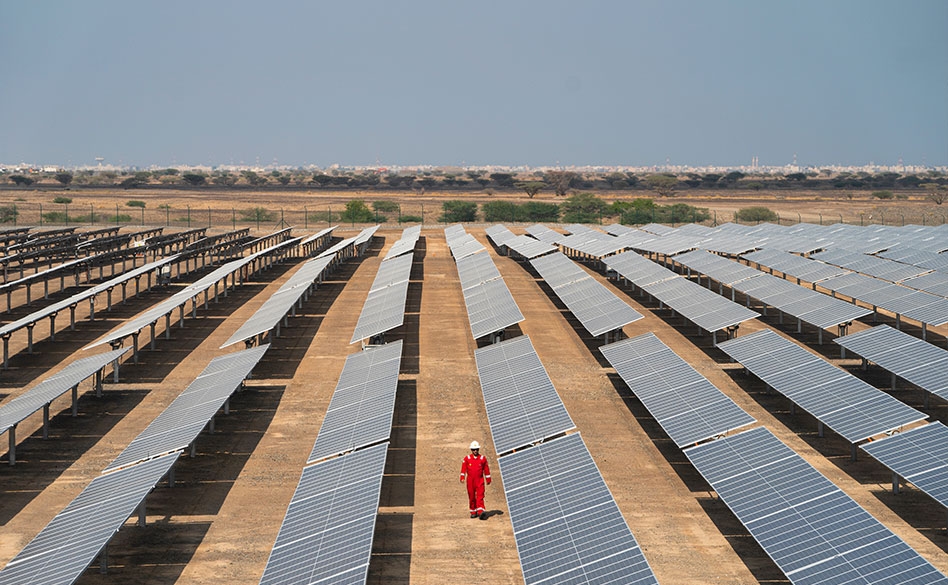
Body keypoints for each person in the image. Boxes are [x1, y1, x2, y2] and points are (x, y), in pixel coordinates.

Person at [460, 440, 491, 518]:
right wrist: (462, 477)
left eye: (477, 449)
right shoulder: (467, 459)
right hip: (470, 481)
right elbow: (463, 469)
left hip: (479, 480)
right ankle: (473, 511)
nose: (475, 451)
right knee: (471, 496)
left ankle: (481, 511)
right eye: (474, 449)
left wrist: (488, 479)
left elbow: (486, 469)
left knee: (480, 495)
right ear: (471, 450)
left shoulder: (482, 459)